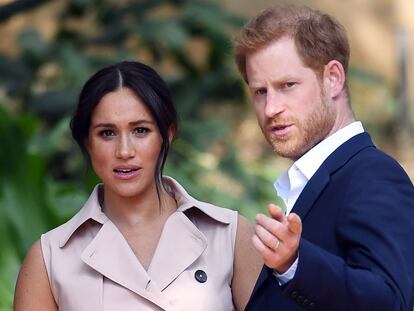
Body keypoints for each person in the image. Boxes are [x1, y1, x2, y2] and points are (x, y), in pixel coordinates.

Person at [13, 61, 262, 311]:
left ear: (168, 134)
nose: (124, 151)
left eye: (141, 130)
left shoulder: (231, 236)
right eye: (107, 133)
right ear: (87, 142)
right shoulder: (49, 259)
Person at [233, 4, 414, 311]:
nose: (270, 108)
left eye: (287, 85)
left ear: (333, 78)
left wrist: (295, 264)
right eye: (260, 92)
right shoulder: (319, 182)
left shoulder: (373, 176)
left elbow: (392, 302)